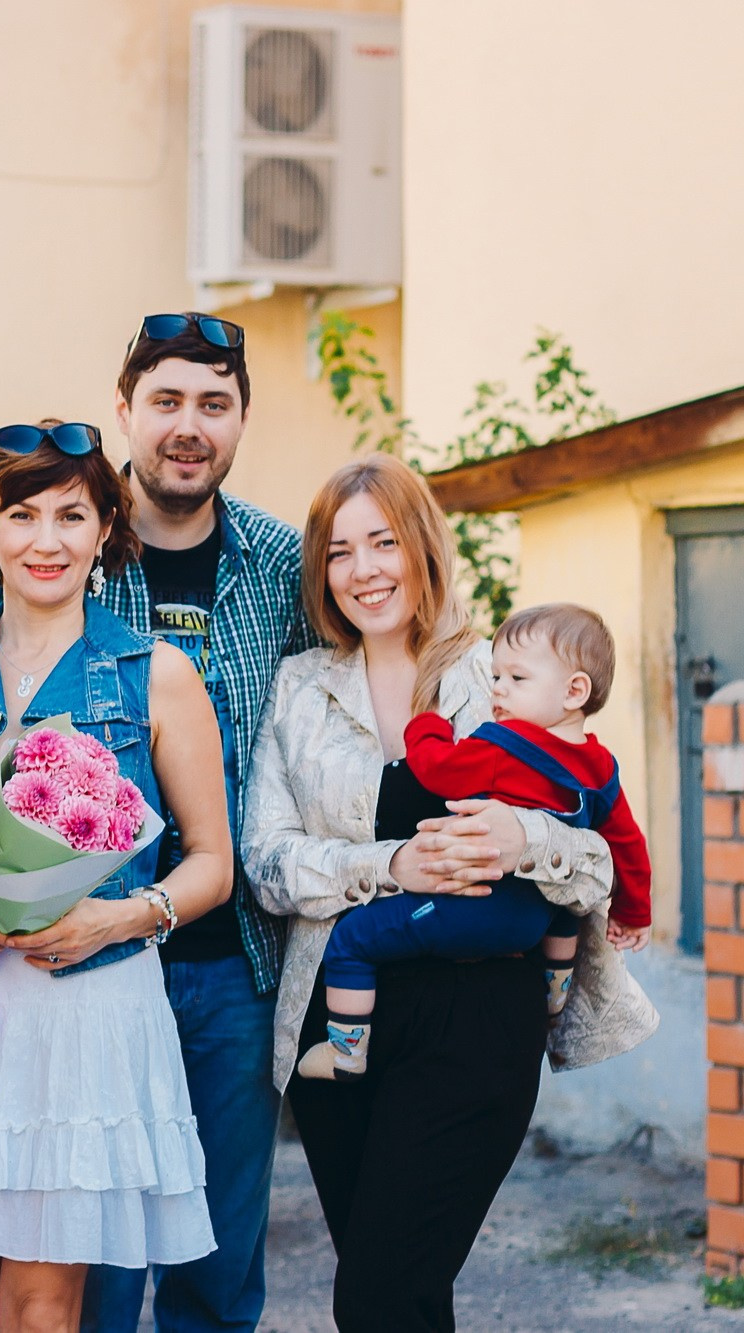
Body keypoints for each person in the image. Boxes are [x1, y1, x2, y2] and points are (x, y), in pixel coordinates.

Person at [242, 454, 655, 1329]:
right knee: (399, 1295)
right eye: (340, 551)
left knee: (381, 1293)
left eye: (384, 542)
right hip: (335, 1026)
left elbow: (598, 852)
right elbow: (267, 864)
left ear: (422, 547)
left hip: (477, 1015)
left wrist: (522, 835)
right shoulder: (299, 690)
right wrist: (392, 866)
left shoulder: (498, 674)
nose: (365, 570)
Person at [0, 313, 305, 1333]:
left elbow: (372, 667)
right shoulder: (50, 547)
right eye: (164, 402)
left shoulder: (284, 564)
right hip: (56, 984)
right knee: (90, 1270)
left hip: (233, 958)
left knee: (214, 1257)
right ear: (125, 413)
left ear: (241, 418)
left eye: (212, 403)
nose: (186, 427)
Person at [0, 421, 227, 1331]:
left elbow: (214, 862)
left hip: (86, 1012)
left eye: (71, 515)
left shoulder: (154, 672)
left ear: (104, 533)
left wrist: (120, 916)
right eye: (22, 514)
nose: (46, 539)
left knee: (43, 1311)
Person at [299, 601, 655, 1081]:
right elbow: (628, 845)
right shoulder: (601, 767)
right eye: (496, 677)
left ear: (574, 691)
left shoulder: (502, 746)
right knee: (569, 905)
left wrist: (426, 728)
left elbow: (437, 771)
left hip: (475, 911)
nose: (498, 689)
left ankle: (345, 1050)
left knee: (353, 939)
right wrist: (634, 913)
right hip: (536, 923)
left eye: (515, 679)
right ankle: (555, 992)